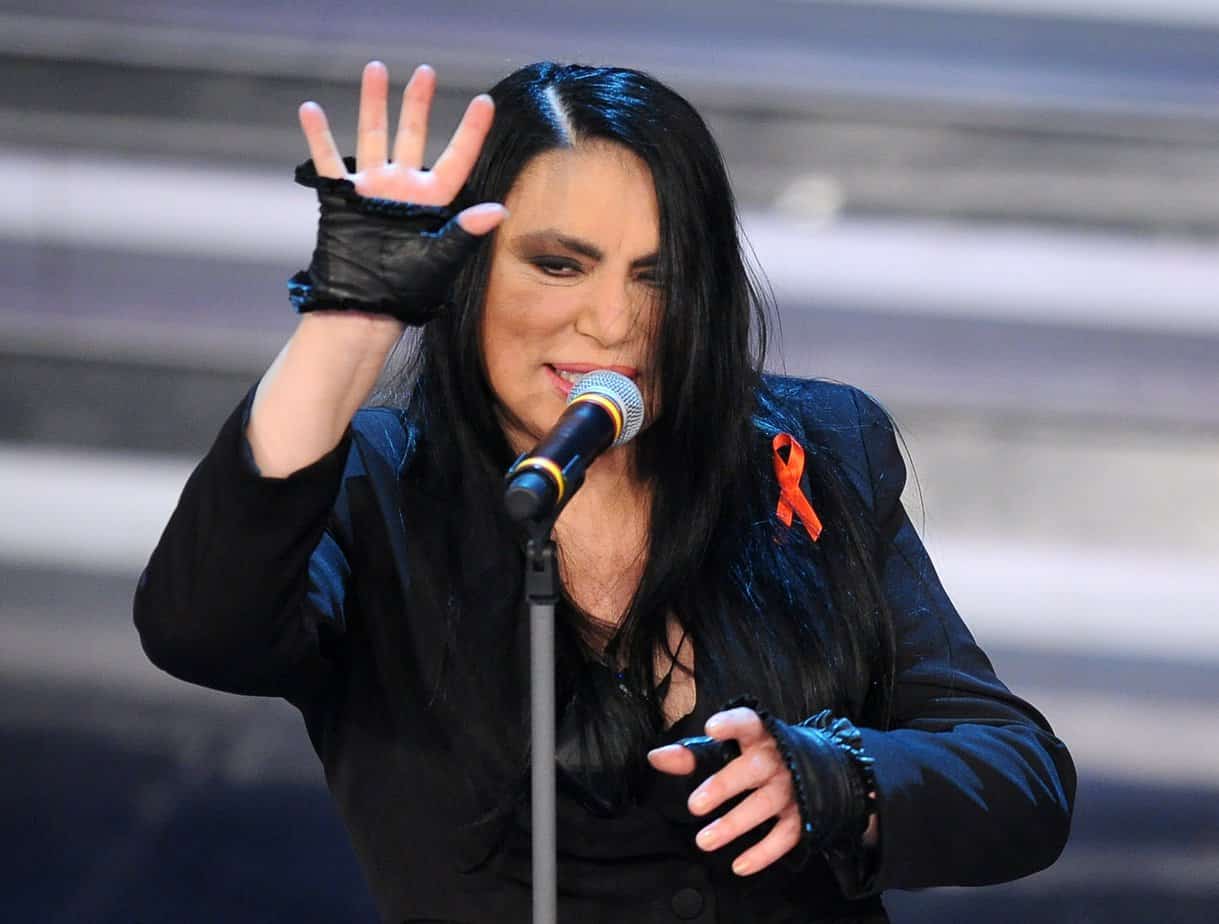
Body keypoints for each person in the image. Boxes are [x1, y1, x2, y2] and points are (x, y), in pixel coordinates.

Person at [133, 60, 1076, 923]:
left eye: (657, 276)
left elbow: (1017, 775)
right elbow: (201, 628)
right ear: (464, 272)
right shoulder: (373, 481)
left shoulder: (812, 447)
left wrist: (843, 781)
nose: (615, 323)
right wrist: (351, 316)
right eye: (559, 265)